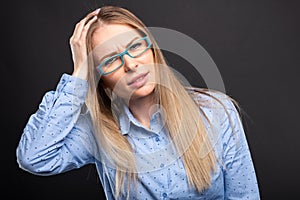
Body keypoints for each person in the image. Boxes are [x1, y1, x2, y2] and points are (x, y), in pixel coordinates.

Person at [16, 5, 260, 200]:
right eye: (111, 60)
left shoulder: (216, 112)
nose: (131, 65)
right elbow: (34, 158)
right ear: (101, 80)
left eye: (135, 47)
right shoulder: (98, 132)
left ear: (152, 49)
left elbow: (245, 195)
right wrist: (79, 72)